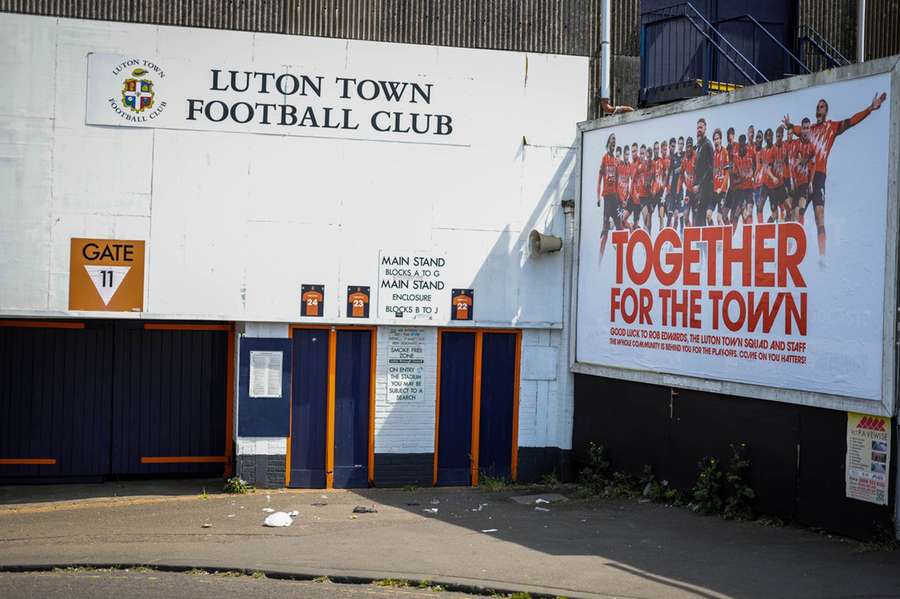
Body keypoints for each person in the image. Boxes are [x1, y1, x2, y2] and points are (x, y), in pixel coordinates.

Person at [783, 92, 886, 262]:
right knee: (797, 212)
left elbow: (851, 121)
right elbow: (796, 129)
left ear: (826, 111)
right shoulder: (811, 129)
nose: (818, 109)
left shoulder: (831, 128)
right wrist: (788, 125)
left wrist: (870, 108)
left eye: (821, 107)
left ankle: (822, 257)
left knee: (819, 217)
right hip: (806, 178)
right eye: (817, 107)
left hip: (819, 176)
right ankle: (793, 252)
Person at [597, 132, 621, 259]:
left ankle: (619, 257)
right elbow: (600, 178)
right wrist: (597, 197)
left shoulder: (616, 161)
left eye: (615, 140)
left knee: (620, 227)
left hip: (615, 198)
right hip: (606, 197)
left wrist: (620, 199)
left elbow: (617, 181)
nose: (614, 142)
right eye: (612, 139)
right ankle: (600, 258)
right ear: (608, 143)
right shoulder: (604, 158)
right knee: (605, 230)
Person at [789, 118, 816, 224]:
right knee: (794, 214)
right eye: (804, 128)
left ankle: (802, 236)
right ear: (801, 129)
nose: (806, 130)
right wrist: (791, 180)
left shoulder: (811, 147)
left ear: (810, 129)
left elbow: (813, 165)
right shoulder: (796, 144)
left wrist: (810, 183)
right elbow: (791, 163)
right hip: (795, 183)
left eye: (807, 128)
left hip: (804, 183)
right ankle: (793, 238)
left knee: (801, 209)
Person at [692, 118, 714, 226]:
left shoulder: (708, 145)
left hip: (706, 189)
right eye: (697, 128)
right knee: (700, 220)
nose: (698, 130)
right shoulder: (699, 146)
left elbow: (710, 169)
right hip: (700, 190)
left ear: (705, 128)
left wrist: (699, 185)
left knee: (700, 220)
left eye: (701, 127)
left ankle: (714, 239)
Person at [711, 128, 729, 226]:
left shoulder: (725, 152)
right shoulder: (713, 154)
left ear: (721, 139)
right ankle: (713, 236)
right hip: (714, 191)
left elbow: (727, 173)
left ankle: (725, 239)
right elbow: (713, 173)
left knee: (719, 218)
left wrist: (721, 188)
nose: (716, 141)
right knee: (708, 215)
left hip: (722, 191)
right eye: (714, 139)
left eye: (717, 139)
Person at [666, 137, 683, 230]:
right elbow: (669, 174)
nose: (679, 145)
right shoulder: (671, 158)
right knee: (669, 216)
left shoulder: (682, 156)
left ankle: (679, 237)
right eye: (678, 144)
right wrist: (666, 189)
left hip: (679, 191)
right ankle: (666, 238)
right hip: (671, 191)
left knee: (678, 217)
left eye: (681, 144)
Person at [617, 144, 634, 230]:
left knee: (621, 220)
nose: (627, 156)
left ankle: (632, 227)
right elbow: (617, 185)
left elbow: (632, 182)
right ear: (623, 154)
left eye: (628, 154)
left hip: (627, 201)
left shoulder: (630, 166)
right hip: (620, 200)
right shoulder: (619, 166)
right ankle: (632, 226)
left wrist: (627, 198)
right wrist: (621, 199)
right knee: (620, 223)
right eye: (626, 154)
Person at [682, 137, 696, 229]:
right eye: (687, 146)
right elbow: (681, 173)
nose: (689, 148)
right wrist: (686, 183)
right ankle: (691, 231)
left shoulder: (696, 156)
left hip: (696, 192)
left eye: (690, 146)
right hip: (688, 192)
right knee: (685, 217)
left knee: (695, 217)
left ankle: (694, 236)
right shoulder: (684, 159)